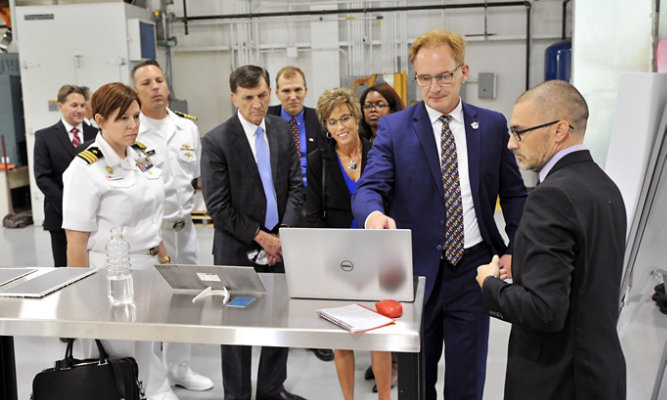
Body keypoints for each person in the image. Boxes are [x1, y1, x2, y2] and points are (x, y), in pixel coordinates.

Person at [351, 28, 527, 400]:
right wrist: (373, 216)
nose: (434, 87)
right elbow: (370, 187)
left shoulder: (492, 125)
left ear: (464, 72)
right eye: (424, 78)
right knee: (415, 382)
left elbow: (513, 194)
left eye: (444, 75)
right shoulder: (396, 128)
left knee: (468, 379)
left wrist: (516, 247)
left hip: (474, 269)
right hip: (414, 273)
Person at [475, 80, 627, 400]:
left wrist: (491, 285)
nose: (511, 144)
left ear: (559, 130)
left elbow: (544, 311)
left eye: (519, 132)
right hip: (600, 374)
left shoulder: (551, 197)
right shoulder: (605, 187)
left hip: (557, 381)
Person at [61, 82, 174, 400]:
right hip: (110, 278)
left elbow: (151, 215)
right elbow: (76, 242)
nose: (133, 125)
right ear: (100, 120)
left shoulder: (140, 155)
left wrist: (164, 259)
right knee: (117, 367)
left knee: (145, 359)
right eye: (122, 118)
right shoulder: (85, 168)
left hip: (149, 272)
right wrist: (81, 302)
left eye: (136, 116)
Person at [200, 65, 305, 400]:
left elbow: (295, 188)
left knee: (280, 320)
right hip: (237, 248)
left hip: (282, 245)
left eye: (262, 95)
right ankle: (238, 395)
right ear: (234, 98)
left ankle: (271, 390)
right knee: (237, 328)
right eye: (248, 98)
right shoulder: (217, 141)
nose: (257, 104)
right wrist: (263, 237)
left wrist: (284, 233)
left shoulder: (280, 130)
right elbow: (218, 206)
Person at [132, 60, 214, 394]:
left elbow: (194, 178)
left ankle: (179, 366)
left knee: (187, 300)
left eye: (160, 80)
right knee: (150, 304)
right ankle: (153, 379)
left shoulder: (187, 128)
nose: (155, 87)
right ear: (135, 92)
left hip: (185, 231)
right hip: (150, 234)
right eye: (146, 83)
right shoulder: (132, 130)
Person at [304, 87, 391, 400]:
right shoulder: (319, 162)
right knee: (343, 336)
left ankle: (384, 397)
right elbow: (312, 215)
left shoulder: (379, 152)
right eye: (332, 122)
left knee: (378, 336)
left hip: (378, 256)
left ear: (356, 117)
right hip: (338, 260)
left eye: (345, 118)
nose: (340, 127)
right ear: (325, 127)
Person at [267, 65, 332, 363]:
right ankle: (283, 330)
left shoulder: (317, 121)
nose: (292, 96)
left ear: (306, 90)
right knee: (282, 273)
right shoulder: (264, 120)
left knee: (317, 273)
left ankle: (317, 333)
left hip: (316, 204)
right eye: (286, 91)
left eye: (297, 90)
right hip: (279, 205)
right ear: (276, 93)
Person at [33, 84, 98, 267]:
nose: (79, 110)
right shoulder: (44, 137)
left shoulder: (97, 134)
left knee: (95, 266)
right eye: (74, 105)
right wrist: (69, 204)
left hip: (94, 213)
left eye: (82, 105)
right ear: (60, 105)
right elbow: (42, 178)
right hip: (59, 215)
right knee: (65, 269)